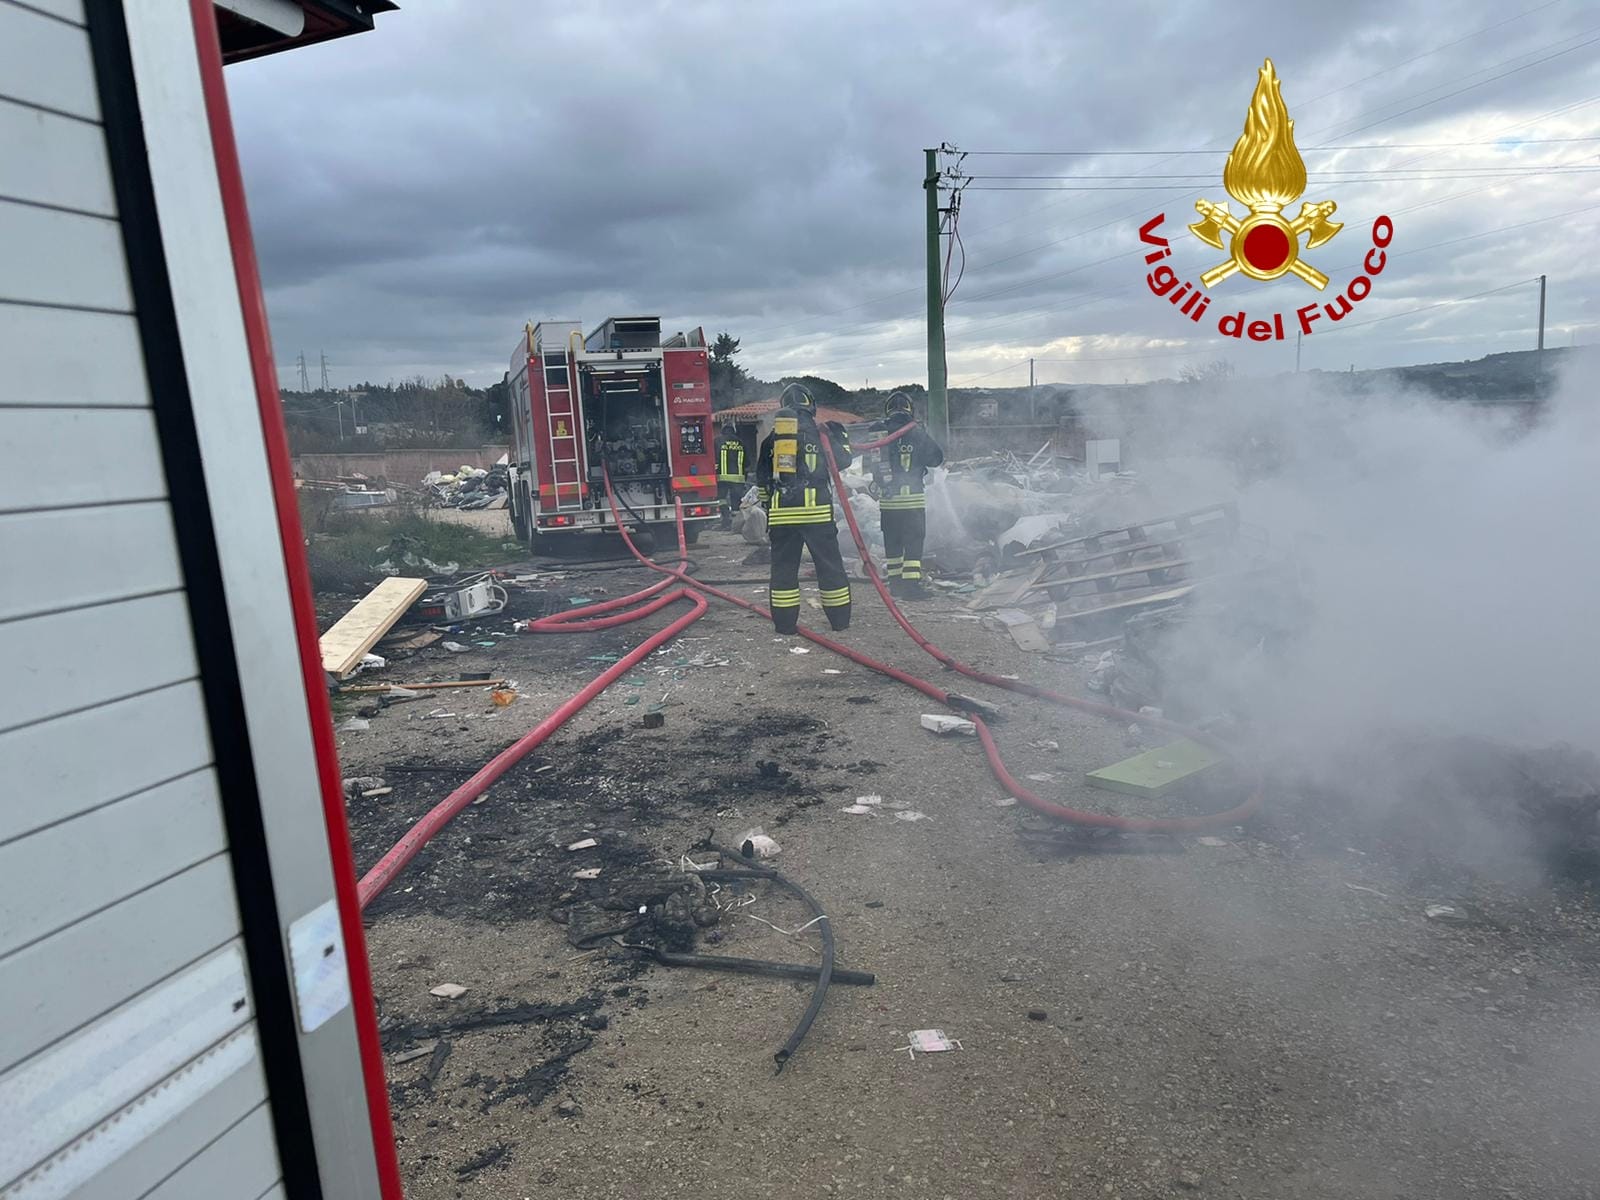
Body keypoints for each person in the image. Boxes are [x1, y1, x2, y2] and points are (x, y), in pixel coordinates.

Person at [754, 388, 853, 635]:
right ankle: (839, 622)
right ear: (811, 407)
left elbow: (762, 482)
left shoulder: (771, 441)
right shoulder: (822, 437)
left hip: (782, 516)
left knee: (783, 572)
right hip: (816, 514)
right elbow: (843, 461)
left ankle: (785, 626)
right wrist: (840, 436)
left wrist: (771, 510)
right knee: (829, 568)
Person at [869, 392, 944, 599]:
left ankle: (895, 586)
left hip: (888, 502)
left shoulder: (879, 432)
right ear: (910, 409)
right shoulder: (917, 432)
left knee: (893, 544)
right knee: (912, 545)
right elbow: (937, 458)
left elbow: (870, 464)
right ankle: (911, 588)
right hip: (912, 501)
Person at [715, 421, 747, 530]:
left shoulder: (718, 441)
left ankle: (726, 519)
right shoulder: (741, 442)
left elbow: (713, 458)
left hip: (722, 477)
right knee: (736, 503)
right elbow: (748, 462)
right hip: (738, 478)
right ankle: (735, 525)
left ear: (723, 431)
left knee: (721, 499)